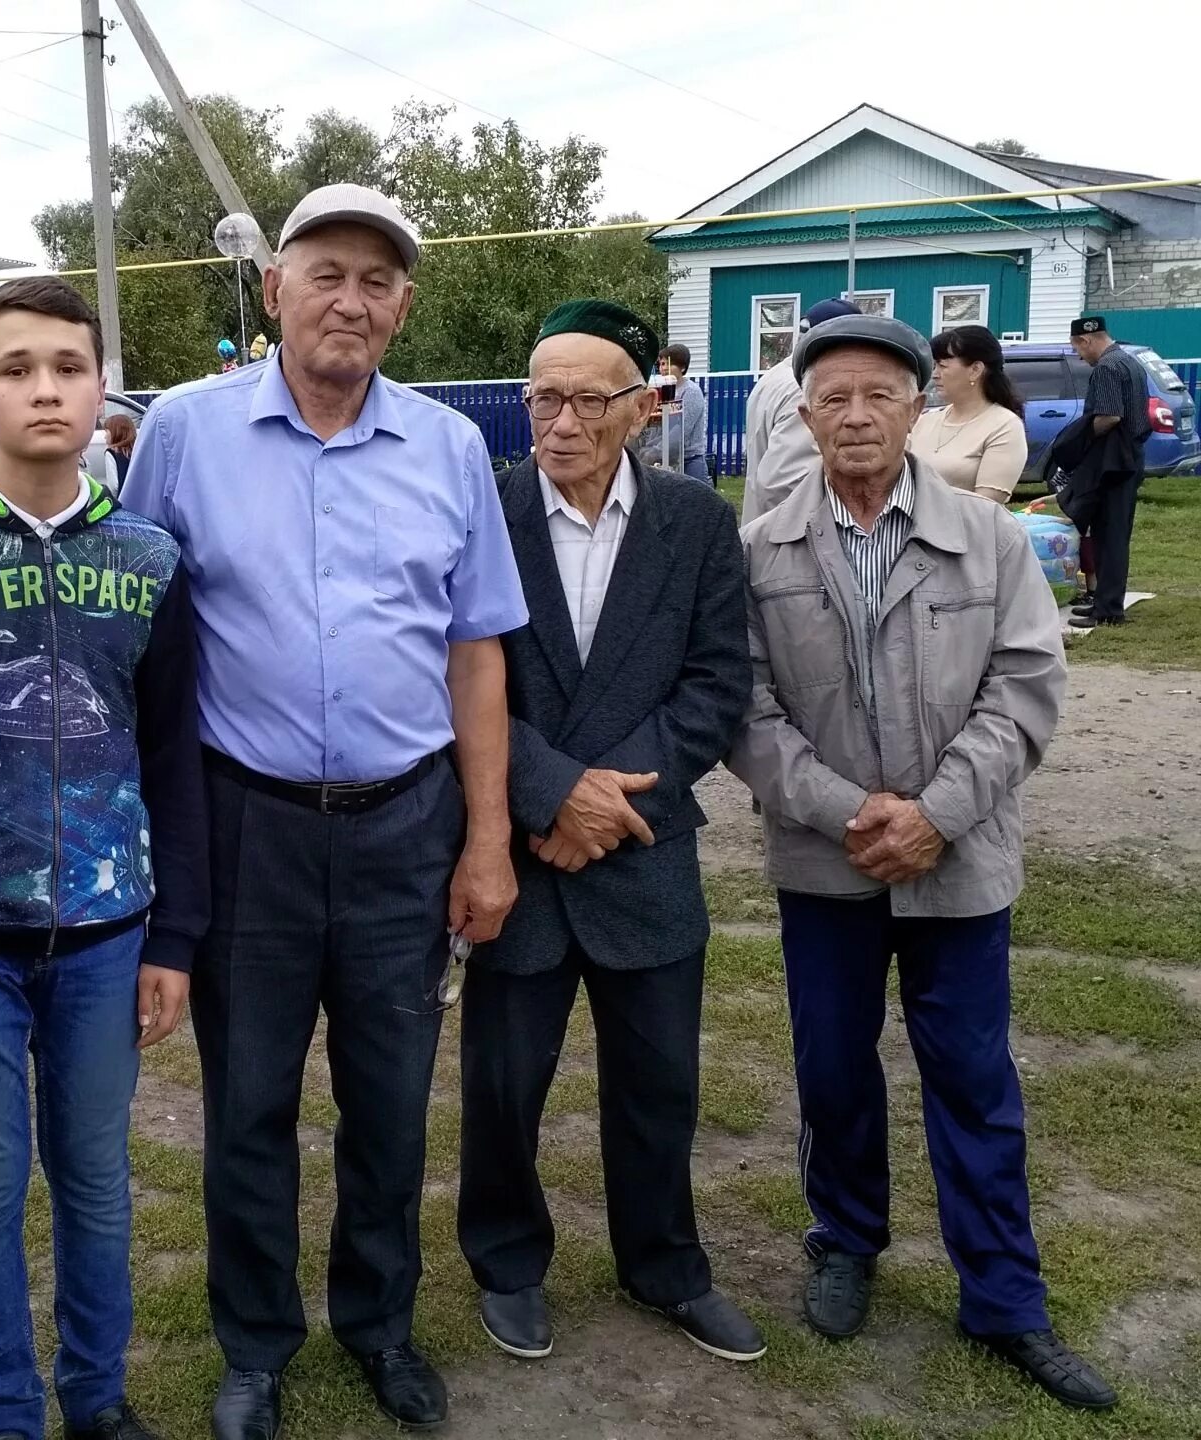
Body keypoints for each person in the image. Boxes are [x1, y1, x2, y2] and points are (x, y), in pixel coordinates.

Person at [122, 183, 527, 1439]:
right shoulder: (183, 433)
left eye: (376, 279)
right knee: (248, 1104)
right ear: (273, 289)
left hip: (407, 826)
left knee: (391, 1098)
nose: (349, 298)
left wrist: (488, 837)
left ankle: (380, 1324)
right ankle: (255, 1344)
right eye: (326, 272)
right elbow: (133, 629)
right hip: (248, 826)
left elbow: (475, 656)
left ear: (402, 308)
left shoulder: (450, 448)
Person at [727, 313, 1116, 1412]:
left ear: (919, 407)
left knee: (974, 1081)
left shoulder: (987, 538)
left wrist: (937, 813)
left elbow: (1028, 686)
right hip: (827, 857)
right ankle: (845, 1239)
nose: (854, 415)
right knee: (834, 1069)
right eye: (833, 397)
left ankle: (1004, 1299)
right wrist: (854, 810)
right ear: (803, 416)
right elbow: (745, 711)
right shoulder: (761, 549)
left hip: (960, 862)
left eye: (878, 396)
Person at [0, 277, 207, 1440]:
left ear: (102, 387)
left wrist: (174, 934)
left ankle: (97, 1403)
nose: (45, 387)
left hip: (110, 939)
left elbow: (173, 754)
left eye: (67, 364)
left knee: (99, 1188)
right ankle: (10, 1414)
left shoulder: (153, 559)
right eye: (16, 368)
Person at [460, 299, 764, 1367]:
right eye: (545, 396)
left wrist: (609, 803)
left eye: (591, 399)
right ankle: (506, 1262)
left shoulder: (693, 522)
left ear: (641, 407)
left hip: (640, 847)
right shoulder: (480, 511)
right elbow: (445, 672)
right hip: (518, 851)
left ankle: (665, 1267)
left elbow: (719, 679)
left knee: (660, 1085)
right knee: (503, 1086)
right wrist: (552, 794)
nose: (564, 422)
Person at [741, 298, 860, 523]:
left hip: (762, 526)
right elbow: (786, 481)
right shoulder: (805, 388)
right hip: (791, 537)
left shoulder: (774, 376)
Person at [1067, 316, 1150, 630]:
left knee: (1109, 534)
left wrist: (1084, 436)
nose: (1078, 355)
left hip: (1114, 459)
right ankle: (1105, 602)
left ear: (1087, 340)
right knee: (1112, 532)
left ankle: (1108, 609)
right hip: (1131, 457)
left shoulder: (1105, 368)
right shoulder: (1130, 362)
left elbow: (1110, 416)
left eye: (1077, 347)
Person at [909, 326, 1026, 505]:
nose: (935, 375)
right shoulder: (925, 421)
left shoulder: (1004, 426)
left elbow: (985, 505)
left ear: (975, 370)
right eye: (934, 366)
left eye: (943, 366)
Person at [656, 343, 709, 482]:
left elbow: (681, 430)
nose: (663, 368)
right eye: (661, 364)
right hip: (668, 459)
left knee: (696, 502)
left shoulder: (691, 391)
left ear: (683, 367)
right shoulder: (662, 391)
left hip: (690, 461)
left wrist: (654, 450)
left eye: (668, 364)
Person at [103, 412, 137, 491]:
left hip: (122, 499)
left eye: (106, 432)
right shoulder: (137, 450)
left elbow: (114, 486)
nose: (105, 437)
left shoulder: (111, 453)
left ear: (116, 432)